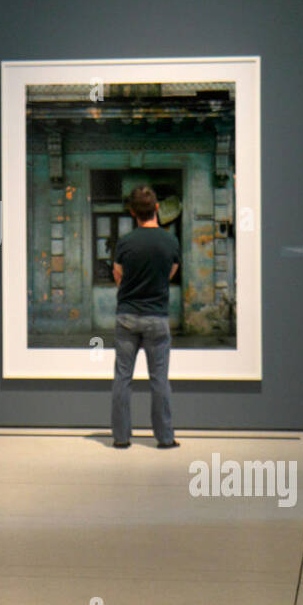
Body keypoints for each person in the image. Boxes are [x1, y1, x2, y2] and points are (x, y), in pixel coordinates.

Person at [110, 186, 181, 449]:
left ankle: (121, 438)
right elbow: (170, 272)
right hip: (157, 317)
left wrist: (131, 288)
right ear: (157, 208)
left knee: (123, 377)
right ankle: (165, 438)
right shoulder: (170, 241)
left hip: (127, 316)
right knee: (159, 379)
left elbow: (118, 274)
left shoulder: (125, 242)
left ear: (132, 212)